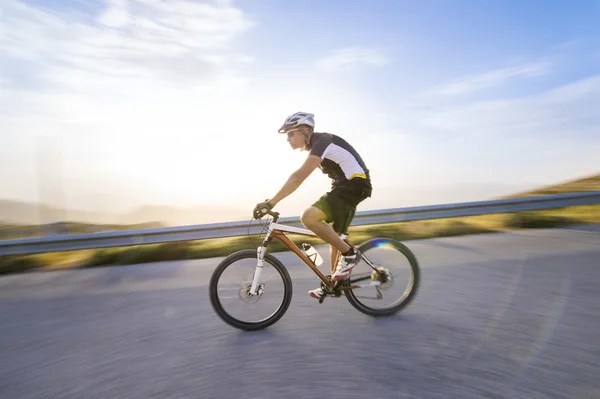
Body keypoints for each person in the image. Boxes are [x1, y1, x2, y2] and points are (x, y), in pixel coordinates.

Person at [253, 112, 372, 299]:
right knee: (336, 239)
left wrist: (271, 202)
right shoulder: (315, 147)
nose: (288, 139)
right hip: (346, 187)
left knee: (308, 217)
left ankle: (350, 255)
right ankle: (333, 284)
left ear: (306, 130)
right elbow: (300, 179)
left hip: (355, 185)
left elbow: (298, 176)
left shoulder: (322, 141)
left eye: (290, 134)